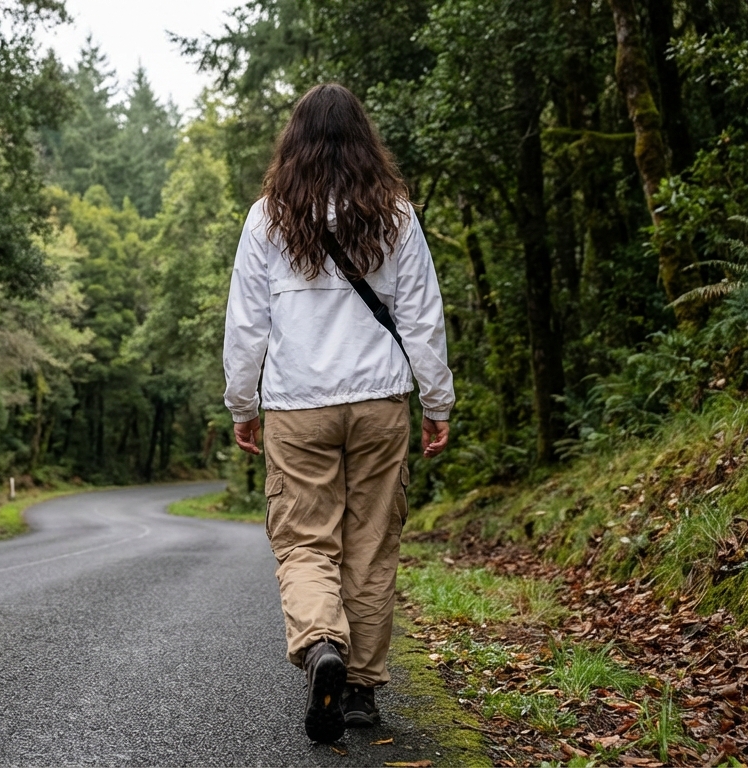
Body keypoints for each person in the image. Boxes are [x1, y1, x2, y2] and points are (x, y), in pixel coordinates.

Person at [222, 83, 455, 745]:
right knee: (371, 545)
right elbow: (422, 319)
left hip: (298, 406)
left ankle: (322, 642)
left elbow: (247, 326)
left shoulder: (267, 217)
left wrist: (243, 403)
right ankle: (359, 692)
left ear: (292, 143)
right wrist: (437, 402)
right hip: (380, 400)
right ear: (364, 141)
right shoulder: (396, 215)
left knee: (305, 542)